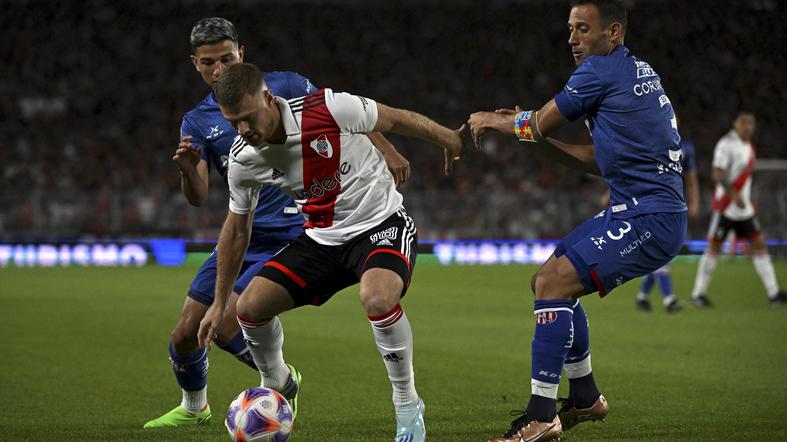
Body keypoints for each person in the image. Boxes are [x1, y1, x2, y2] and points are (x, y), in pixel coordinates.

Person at [144, 17, 411, 429]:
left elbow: (344, 111)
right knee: (185, 331)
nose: (219, 70)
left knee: (235, 316)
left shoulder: (282, 86)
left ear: (241, 54)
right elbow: (198, 197)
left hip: (290, 230)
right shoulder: (196, 121)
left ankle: (280, 382)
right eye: (209, 62)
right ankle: (195, 407)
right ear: (194, 63)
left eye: (227, 59)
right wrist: (186, 170)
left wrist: (387, 148)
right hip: (241, 231)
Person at [197, 62, 465, 442]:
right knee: (249, 309)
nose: (242, 130)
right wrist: (218, 302)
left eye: (247, 118)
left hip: (381, 224)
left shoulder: (328, 108)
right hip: (322, 239)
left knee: (376, 298)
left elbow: (393, 118)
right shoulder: (244, 159)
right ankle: (277, 383)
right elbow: (236, 230)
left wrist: (448, 139)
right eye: (233, 122)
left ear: (268, 98)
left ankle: (407, 406)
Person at [468, 1, 687, 440]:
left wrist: (493, 120)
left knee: (554, 284)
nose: (572, 38)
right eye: (570, 29)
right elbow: (601, 159)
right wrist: (534, 135)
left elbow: (536, 125)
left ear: (613, 32)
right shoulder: (635, 71)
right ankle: (584, 395)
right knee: (545, 280)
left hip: (648, 216)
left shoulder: (598, 71)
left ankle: (540, 416)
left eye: (583, 29)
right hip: (642, 210)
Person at [691, 111, 786, 307]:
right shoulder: (726, 144)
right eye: (744, 123)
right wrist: (734, 195)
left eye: (751, 123)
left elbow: (744, 179)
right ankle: (698, 295)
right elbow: (717, 174)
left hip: (744, 210)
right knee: (714, 248)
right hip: (726, 207)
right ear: (735, 124)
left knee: (760, 245)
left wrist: (746, 199)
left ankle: (774, 294)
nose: (748, 126)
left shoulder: (748, 147)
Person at [603, 122, 699, 313]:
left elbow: (692, 179)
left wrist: (695, 202)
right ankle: (669, 299)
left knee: (657, 254)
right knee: (659, 251)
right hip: (646, 205)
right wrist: (609, 194)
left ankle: (643, 297)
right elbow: (625, 170)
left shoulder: (685, 149)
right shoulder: (648, 144)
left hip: (672, 208)